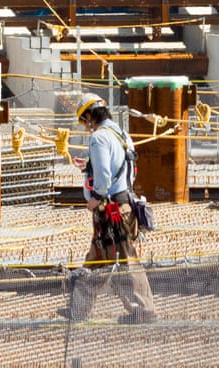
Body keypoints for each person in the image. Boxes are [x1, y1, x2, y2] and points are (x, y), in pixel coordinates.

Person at [61, 93, 158, 324]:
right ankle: (78, 310)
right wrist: (89, 166)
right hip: (124, 204)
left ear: (88, 116)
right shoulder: (121, 134)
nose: (85, 127)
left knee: (125, 259)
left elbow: (104, 177)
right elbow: (122, 167)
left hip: (110, 210)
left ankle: (144, 311)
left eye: (84, 121)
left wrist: (95, 197)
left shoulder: (99, 138)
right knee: (97, 259)